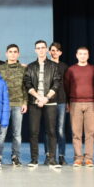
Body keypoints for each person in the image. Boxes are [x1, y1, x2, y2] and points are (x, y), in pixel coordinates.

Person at [23, 40, 62, 168]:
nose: (40, 50)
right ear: (35, 50)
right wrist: (38, 97)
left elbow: (57, 83)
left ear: (46, 50)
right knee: (33, 132)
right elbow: (27, 83)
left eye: (42, 47)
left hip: (50, 102)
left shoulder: (54, 66)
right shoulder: (30, 66)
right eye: (38, 48)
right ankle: (34, 159)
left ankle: (52, 159)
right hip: (34, 102)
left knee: (51, 131)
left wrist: (46, 98)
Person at [64, 47, 94, 168]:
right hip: (75, 103)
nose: (83, 56)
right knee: (76, 133)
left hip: (91, 103)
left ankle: (88, 159)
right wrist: (68, 102)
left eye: (85, 54)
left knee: (90, 132)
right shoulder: (71, 70)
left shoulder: (93, 69)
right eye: (80, 54)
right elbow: (66, 87)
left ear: (88, 55)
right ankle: (78, 158)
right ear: (76, 55)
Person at [0, 44, 27, 166]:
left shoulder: (23, 69)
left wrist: (25, 102)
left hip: (18, 104)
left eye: (15, 52)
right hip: (4, 105)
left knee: (17, 134)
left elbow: (25, 87)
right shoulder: (0, 69)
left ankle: (16, 157)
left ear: (18, 54)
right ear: (6, 54)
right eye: (10, 51)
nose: (13, 54)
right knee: (1, 133)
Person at [49, 42, 69, 165]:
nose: (54, 52)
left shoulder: (64, 67)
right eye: (52, 50)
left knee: (60, 130)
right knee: (49, 130)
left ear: (60, 53)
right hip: (49, 102)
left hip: (61, 101)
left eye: (57, 50)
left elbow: (67, 85)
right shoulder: (46, 65)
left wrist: (68, 102)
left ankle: (61, 156)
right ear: (49, 52)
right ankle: (49, 155)